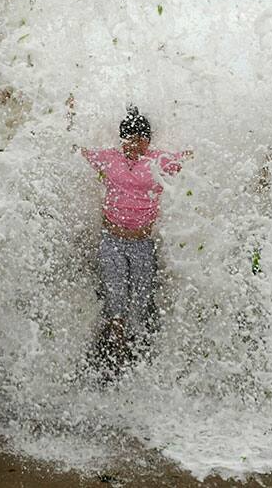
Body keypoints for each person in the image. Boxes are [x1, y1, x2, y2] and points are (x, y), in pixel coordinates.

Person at [80, 105, 191, 376]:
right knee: (116, 297)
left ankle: (133, 354)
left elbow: (190, 159)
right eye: (130, 138)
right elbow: (77, 152)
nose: (135, 145)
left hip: (142, 243)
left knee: (140, 302)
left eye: (141, 139)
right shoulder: (109, 159)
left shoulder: (158, 161)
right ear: (122, 139)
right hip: (112, 240)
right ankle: (115, 353)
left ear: (148, 141)